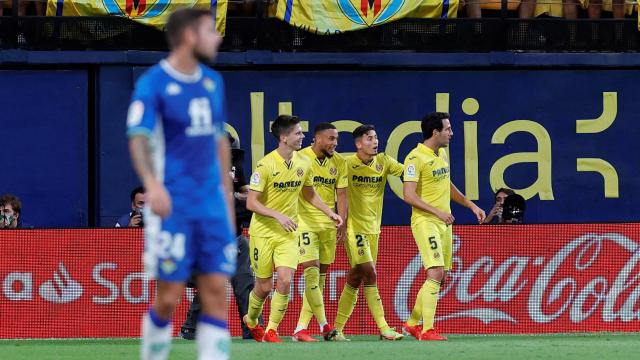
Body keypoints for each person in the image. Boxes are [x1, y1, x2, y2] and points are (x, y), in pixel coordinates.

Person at [126, 8, 235, 360]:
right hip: (173, 204)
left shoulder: (212, 82)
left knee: (217, 290)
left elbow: (219, 142)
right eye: (210, 30)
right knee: (169, 296)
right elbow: (138, 138)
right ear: (190, 35)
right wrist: (152, 185)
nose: (218, 37)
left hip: (211, 206)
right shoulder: (153, 83)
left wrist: (227, 203)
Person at [243, 115, 343, 343]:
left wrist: (329, 212)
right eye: (298, 133)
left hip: (288, 233)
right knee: (264, 286)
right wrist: (277, 215)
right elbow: (251, 202)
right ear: (283, 137)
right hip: (263, 233)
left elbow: (308, 193)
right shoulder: (265, 165)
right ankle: (251, 319)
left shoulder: (303, 162)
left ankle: (271, 330)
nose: (302, 136)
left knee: (286, 280)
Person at [402, 112, 486, 341]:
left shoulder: (442, 154)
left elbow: (446, 185)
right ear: (435, 132)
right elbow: (408, 195)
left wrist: (470, 205)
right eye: (448, 129)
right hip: (425, 221)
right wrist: (437, 211)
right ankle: (427, 329)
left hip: (443, 223)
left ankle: (411, 324)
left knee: (442, 276)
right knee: (435, 273)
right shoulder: (415, 158)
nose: (452, 133)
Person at [180, 133, 263, 341]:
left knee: (246, 284)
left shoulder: (235, 164)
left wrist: (239, 196)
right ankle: (191, 328)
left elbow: (245, 192)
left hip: (236, 237)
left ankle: (252, 329)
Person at [333, 124, 405, 341]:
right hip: (354, 229)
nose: (375, 142)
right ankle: (384, 328)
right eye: (369, 138)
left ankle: (336, 330)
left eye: (376, 138)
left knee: (356, 277)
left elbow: (409, 173)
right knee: (371, 273)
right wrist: (341, 222)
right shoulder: (347, 165)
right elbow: (339, 192)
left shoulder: (384, 162)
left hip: (374, 230)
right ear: (358, 143)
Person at [292, 123, 348, 342]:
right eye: (330, 138)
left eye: (336, 139)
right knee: (311, 272)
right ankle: (323, 326)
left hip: (329, 225)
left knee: (319, 279)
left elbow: (341, 195)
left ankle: (300, 328)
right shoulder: (300, 158)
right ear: (316, 139)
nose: (334, 143)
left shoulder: (339, 162)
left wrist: (342, 222)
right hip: (305, 223)